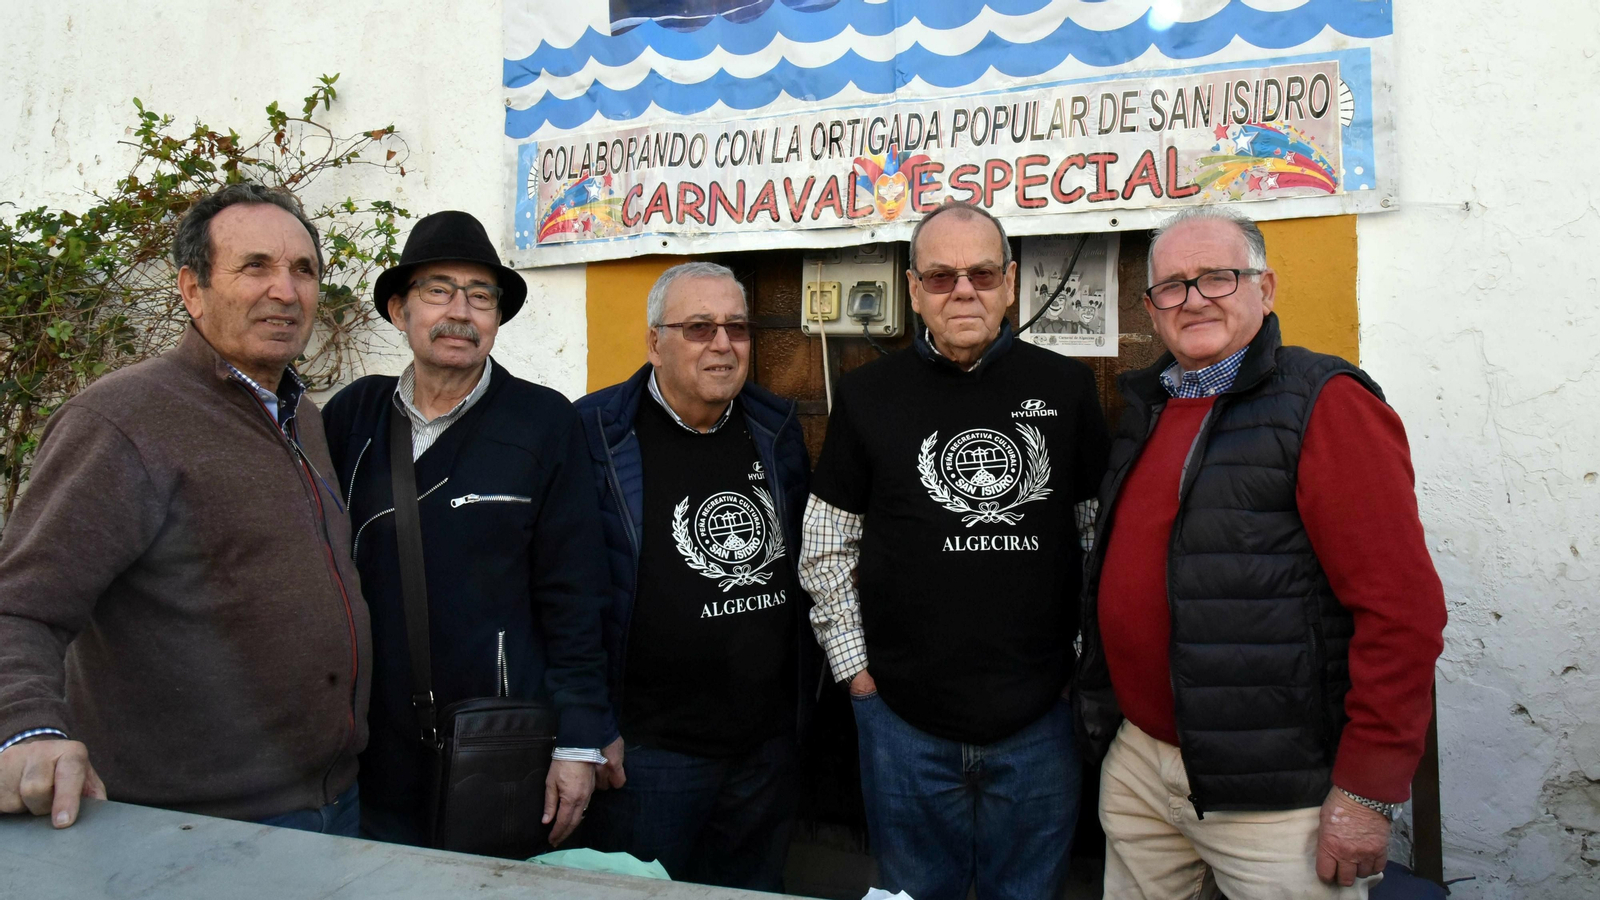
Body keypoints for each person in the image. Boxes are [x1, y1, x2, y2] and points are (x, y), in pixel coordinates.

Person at [1074, 206, 1448, 899]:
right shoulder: (1148, 409)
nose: (1193, 300)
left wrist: (1368, 790)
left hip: (1279, 795)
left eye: (1217, 277)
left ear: (1265, 288)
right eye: (1172, 286)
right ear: (1152, 309)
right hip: (1141, 766)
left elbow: (1403, 612)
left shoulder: (1324, 402)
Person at [0, 183, 369, 835]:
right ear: (192, 289)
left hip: (333, 803)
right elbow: (22, 606)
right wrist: (27, 729)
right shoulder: (122, 422)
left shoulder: (304, 421)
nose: (285, 291)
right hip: (191, 827)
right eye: (255, 266)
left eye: (303, 269)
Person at [801, 201, 1111, 900]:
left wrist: (1077, 672)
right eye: (941, 277)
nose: (962, 291)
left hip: (1040, 725)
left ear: (1009, 281)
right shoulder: (865, 395)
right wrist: (859, 680)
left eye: (979, 274)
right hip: (903, 727)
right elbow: (826, 548)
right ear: (913, 291)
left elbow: (1099, 546)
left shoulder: (1066, 390)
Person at [319, 211, 611, 849]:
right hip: (368, 738)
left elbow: (576, 593)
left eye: (481, 296)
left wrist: (580, 737)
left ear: (497, 318)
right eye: (438, 290)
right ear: (399, 310)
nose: (461, 311)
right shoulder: (353, 417)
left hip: (498, 739)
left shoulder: (543, 423)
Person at [574, 261, 817, 891]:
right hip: (650, 756)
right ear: (655, 342)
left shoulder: (776, 428)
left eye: (737, 328)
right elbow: (567, 593)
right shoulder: (594, 434)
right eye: (699, 327)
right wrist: (588, 725)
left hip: (764, 751)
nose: (722, 344)